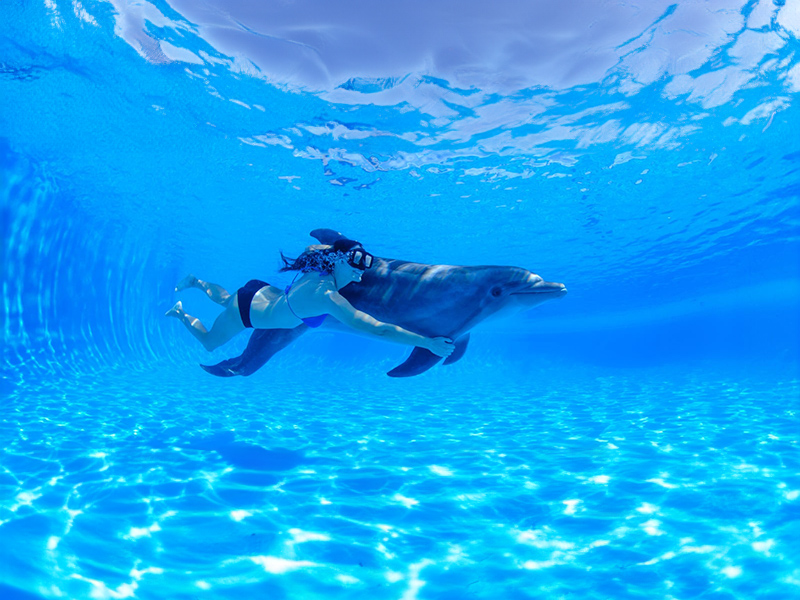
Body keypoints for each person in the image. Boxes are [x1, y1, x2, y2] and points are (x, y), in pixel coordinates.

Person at [165, 238, 455, 358]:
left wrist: (337, 249)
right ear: (339, 261)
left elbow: (313, 245)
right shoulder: (328, 296)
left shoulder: (319, 265)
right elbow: (376, 327)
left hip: (258, 292)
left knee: (226, 298)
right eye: (355, 268)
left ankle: (196, 282)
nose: (360, 276)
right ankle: (180, 312)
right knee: (209, 344)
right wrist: (427, 343)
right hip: (249, 314)